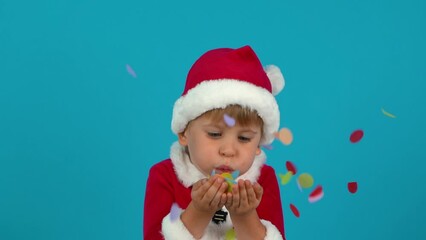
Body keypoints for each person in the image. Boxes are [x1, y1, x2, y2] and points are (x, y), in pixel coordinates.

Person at [144, 45, 286, 240]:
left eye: (244, 138)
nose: (228, 150)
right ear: (184, 132)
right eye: (214, 134)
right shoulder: (165, 176)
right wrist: (199, 212)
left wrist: (244, 216)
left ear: (258, 145)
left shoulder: (263, 180)